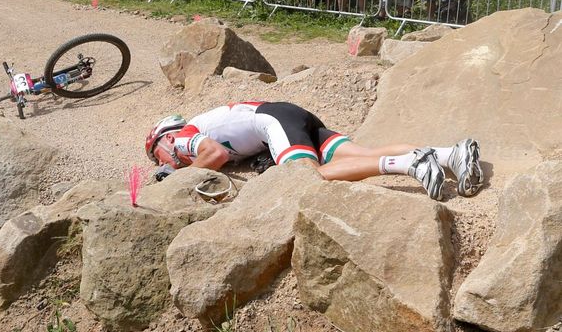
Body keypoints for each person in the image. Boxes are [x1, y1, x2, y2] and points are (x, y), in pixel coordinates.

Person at [145, 102, 484, 201]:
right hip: (291, 117)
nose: (159, 161)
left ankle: (410, 164)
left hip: (274, 122)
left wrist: (180, 175)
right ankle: (449, 155)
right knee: (356, 153)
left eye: (154, 154)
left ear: (163, 139)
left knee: (306, 178)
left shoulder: (183, 137)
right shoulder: (204, 124)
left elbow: (214, 155)